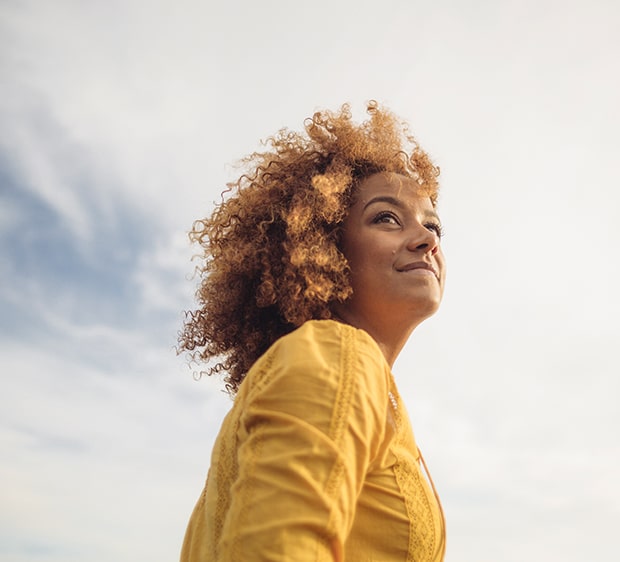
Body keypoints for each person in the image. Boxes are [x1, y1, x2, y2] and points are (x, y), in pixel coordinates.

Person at [178, 101, 447, 561]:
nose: (427, 239)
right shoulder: (338, 355)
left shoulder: (365, 386)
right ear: (322, 244)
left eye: (433, 224)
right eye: (387, 217)